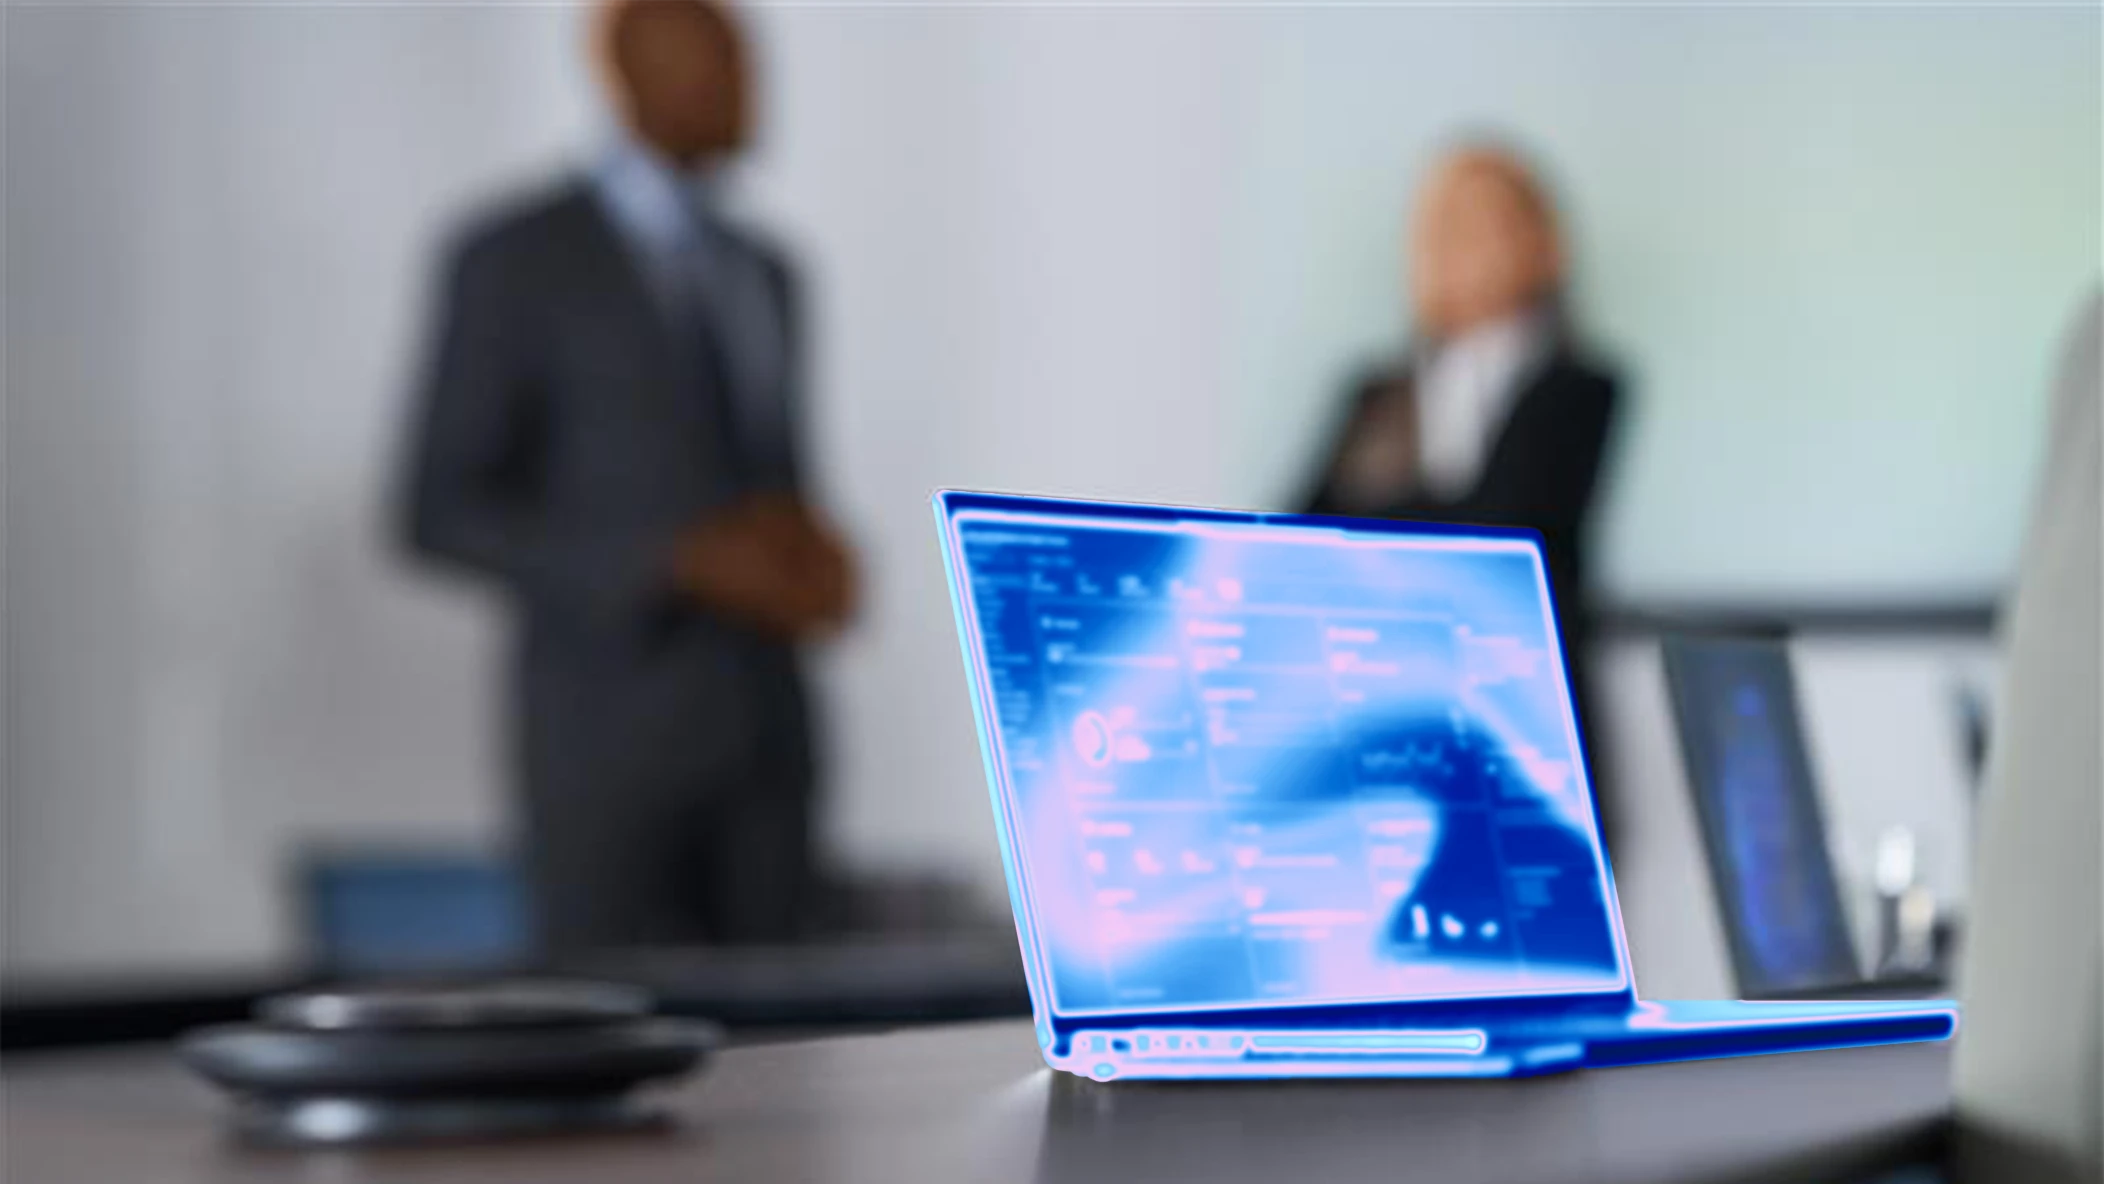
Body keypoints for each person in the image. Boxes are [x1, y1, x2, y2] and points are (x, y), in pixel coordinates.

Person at [397, 0, 854, 953]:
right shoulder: (517, 259)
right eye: (719, 64)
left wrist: (807, 556)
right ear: (630, 73)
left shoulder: (766, 272)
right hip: (608, 742)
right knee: (607, 1040)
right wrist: (666, 563)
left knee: (796, 1051)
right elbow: (435, 508)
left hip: (768, 744)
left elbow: (767, 467)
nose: (748, 91)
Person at [1298, 141, 1622, 839]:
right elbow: (1299, 537)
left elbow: (1502, 530)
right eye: (1442, 227)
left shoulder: (1579, 390)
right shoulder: (1379, 394)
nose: (1461, 248)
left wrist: (1377, 522)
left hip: (1527, 739)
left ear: (1542, 242)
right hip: (1381, 734)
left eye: (1485, 223)